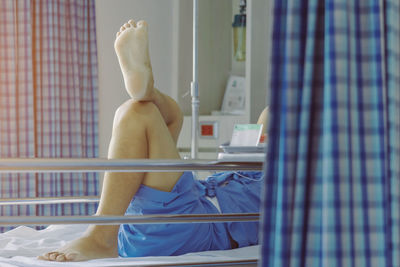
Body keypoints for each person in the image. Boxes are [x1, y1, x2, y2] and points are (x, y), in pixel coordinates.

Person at [38, 19, 265, 262]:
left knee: (139, 113)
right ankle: (148, 90)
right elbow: (271, 117)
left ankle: (101, 236)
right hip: (193, 200)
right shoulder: (273, 131)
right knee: (168, 114)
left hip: (198, 227)